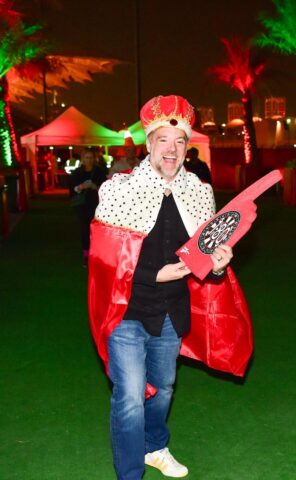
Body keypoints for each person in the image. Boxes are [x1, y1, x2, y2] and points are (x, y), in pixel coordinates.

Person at [88, 95, 253, 480]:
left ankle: (155, 445)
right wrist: (152, 275)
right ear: (149, 144)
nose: (172, 149)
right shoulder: (118, 190)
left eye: (180, 142)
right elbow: (103, 259)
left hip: (171, 312)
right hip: (127, 310)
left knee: (162, 388)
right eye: (163, 139)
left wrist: (218, 265)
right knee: (130, 395)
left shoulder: (199, 192)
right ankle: (130, 474)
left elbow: (201, 261)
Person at [69, 148, 107, 265]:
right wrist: (81, 187)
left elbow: (105, 188)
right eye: (87, 158)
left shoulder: (99, 172)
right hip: (82, 205)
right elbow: (72, 189)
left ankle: (97, 253)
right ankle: (86, 254)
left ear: (94, 159)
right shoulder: (77, 172)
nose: (89, 160)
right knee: (85, 229)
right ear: (82, 159)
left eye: (91, 158)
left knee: (97, 229)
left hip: (96, 204)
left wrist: (94, 186)